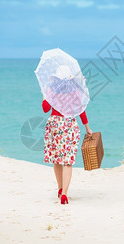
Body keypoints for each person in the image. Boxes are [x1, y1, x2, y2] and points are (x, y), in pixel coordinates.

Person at [42, 66, 92, 205]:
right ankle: (64, 194)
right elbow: (81, 111)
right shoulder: (75, 92)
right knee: (68, 162)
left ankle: (60, 188)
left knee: (57, 160)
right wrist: (87, 128)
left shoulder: (51, 90)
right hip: (69, 125)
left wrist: (45, 96)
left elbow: (45, 109)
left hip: (55, 125)